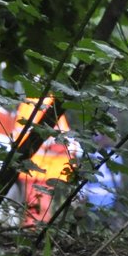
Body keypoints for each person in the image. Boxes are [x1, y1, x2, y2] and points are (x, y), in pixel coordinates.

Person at [12, 96, 79, 227]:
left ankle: (31, 236)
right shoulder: (49, 104)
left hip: (33, 168)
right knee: (38, 212)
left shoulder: (28, 104)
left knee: (34, 210)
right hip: (44, 169)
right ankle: (33, 239)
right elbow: (60, 141)